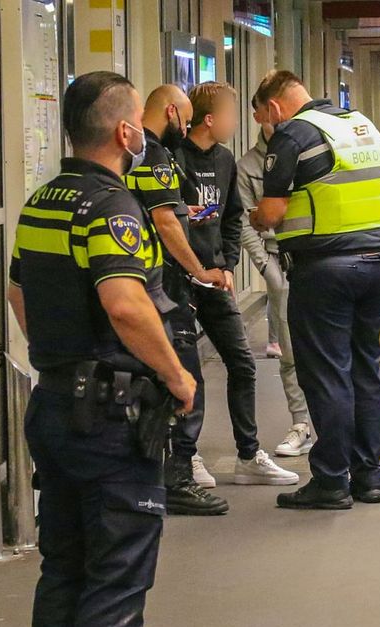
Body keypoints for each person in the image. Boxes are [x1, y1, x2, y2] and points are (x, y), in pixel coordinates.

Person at [6, 71, 199, 627]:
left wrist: (60, 359)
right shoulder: (111, 206)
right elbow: (124, 303)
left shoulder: (41, 201)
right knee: (117, 576)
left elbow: (21, 290)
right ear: (125, 133)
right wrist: (177, 378)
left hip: (56, 405)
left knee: (64, 565)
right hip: (112, 419)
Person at [249, 70, 380, 509]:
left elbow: (272, 213)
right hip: (376, 263)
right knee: (365, 371)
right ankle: (369, 477)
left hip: (324, 271)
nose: (266, 128)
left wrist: (256, 217)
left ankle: (331, 480)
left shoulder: (293, 134)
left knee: (327, 374)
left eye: (263, 119)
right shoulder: (360, 125)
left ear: (274, 107)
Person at [176, 81, 298, 486]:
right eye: (229, 115)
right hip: (179, 280)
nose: (236, 123)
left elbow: (232, 218)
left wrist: (228, 264)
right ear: (209, 119)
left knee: (242, 365)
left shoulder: (226, 160)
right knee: (187, 371)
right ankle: (187, 457)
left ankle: (249, 454)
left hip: (214, 277)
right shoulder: (172, 159)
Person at [125, 84, 229, 517]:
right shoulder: (155, 156)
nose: (185, 128)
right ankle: (179, 478)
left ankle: (152, 477)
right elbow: (165, 222)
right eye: (183, 119)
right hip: (164, 286)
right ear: (171, 111)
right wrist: (197, 270)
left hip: (143, 282)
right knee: (186, 381)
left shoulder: (131, 157)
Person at [237, 92, 313, 457]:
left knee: (327, 348)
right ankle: (302, 423)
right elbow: (243, 221)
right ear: (260, 116)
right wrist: (266, 268)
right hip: (278, 261)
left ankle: (335, 423)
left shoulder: (309, 149)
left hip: (316, 260)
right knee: (289, 354)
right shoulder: (249, 166)